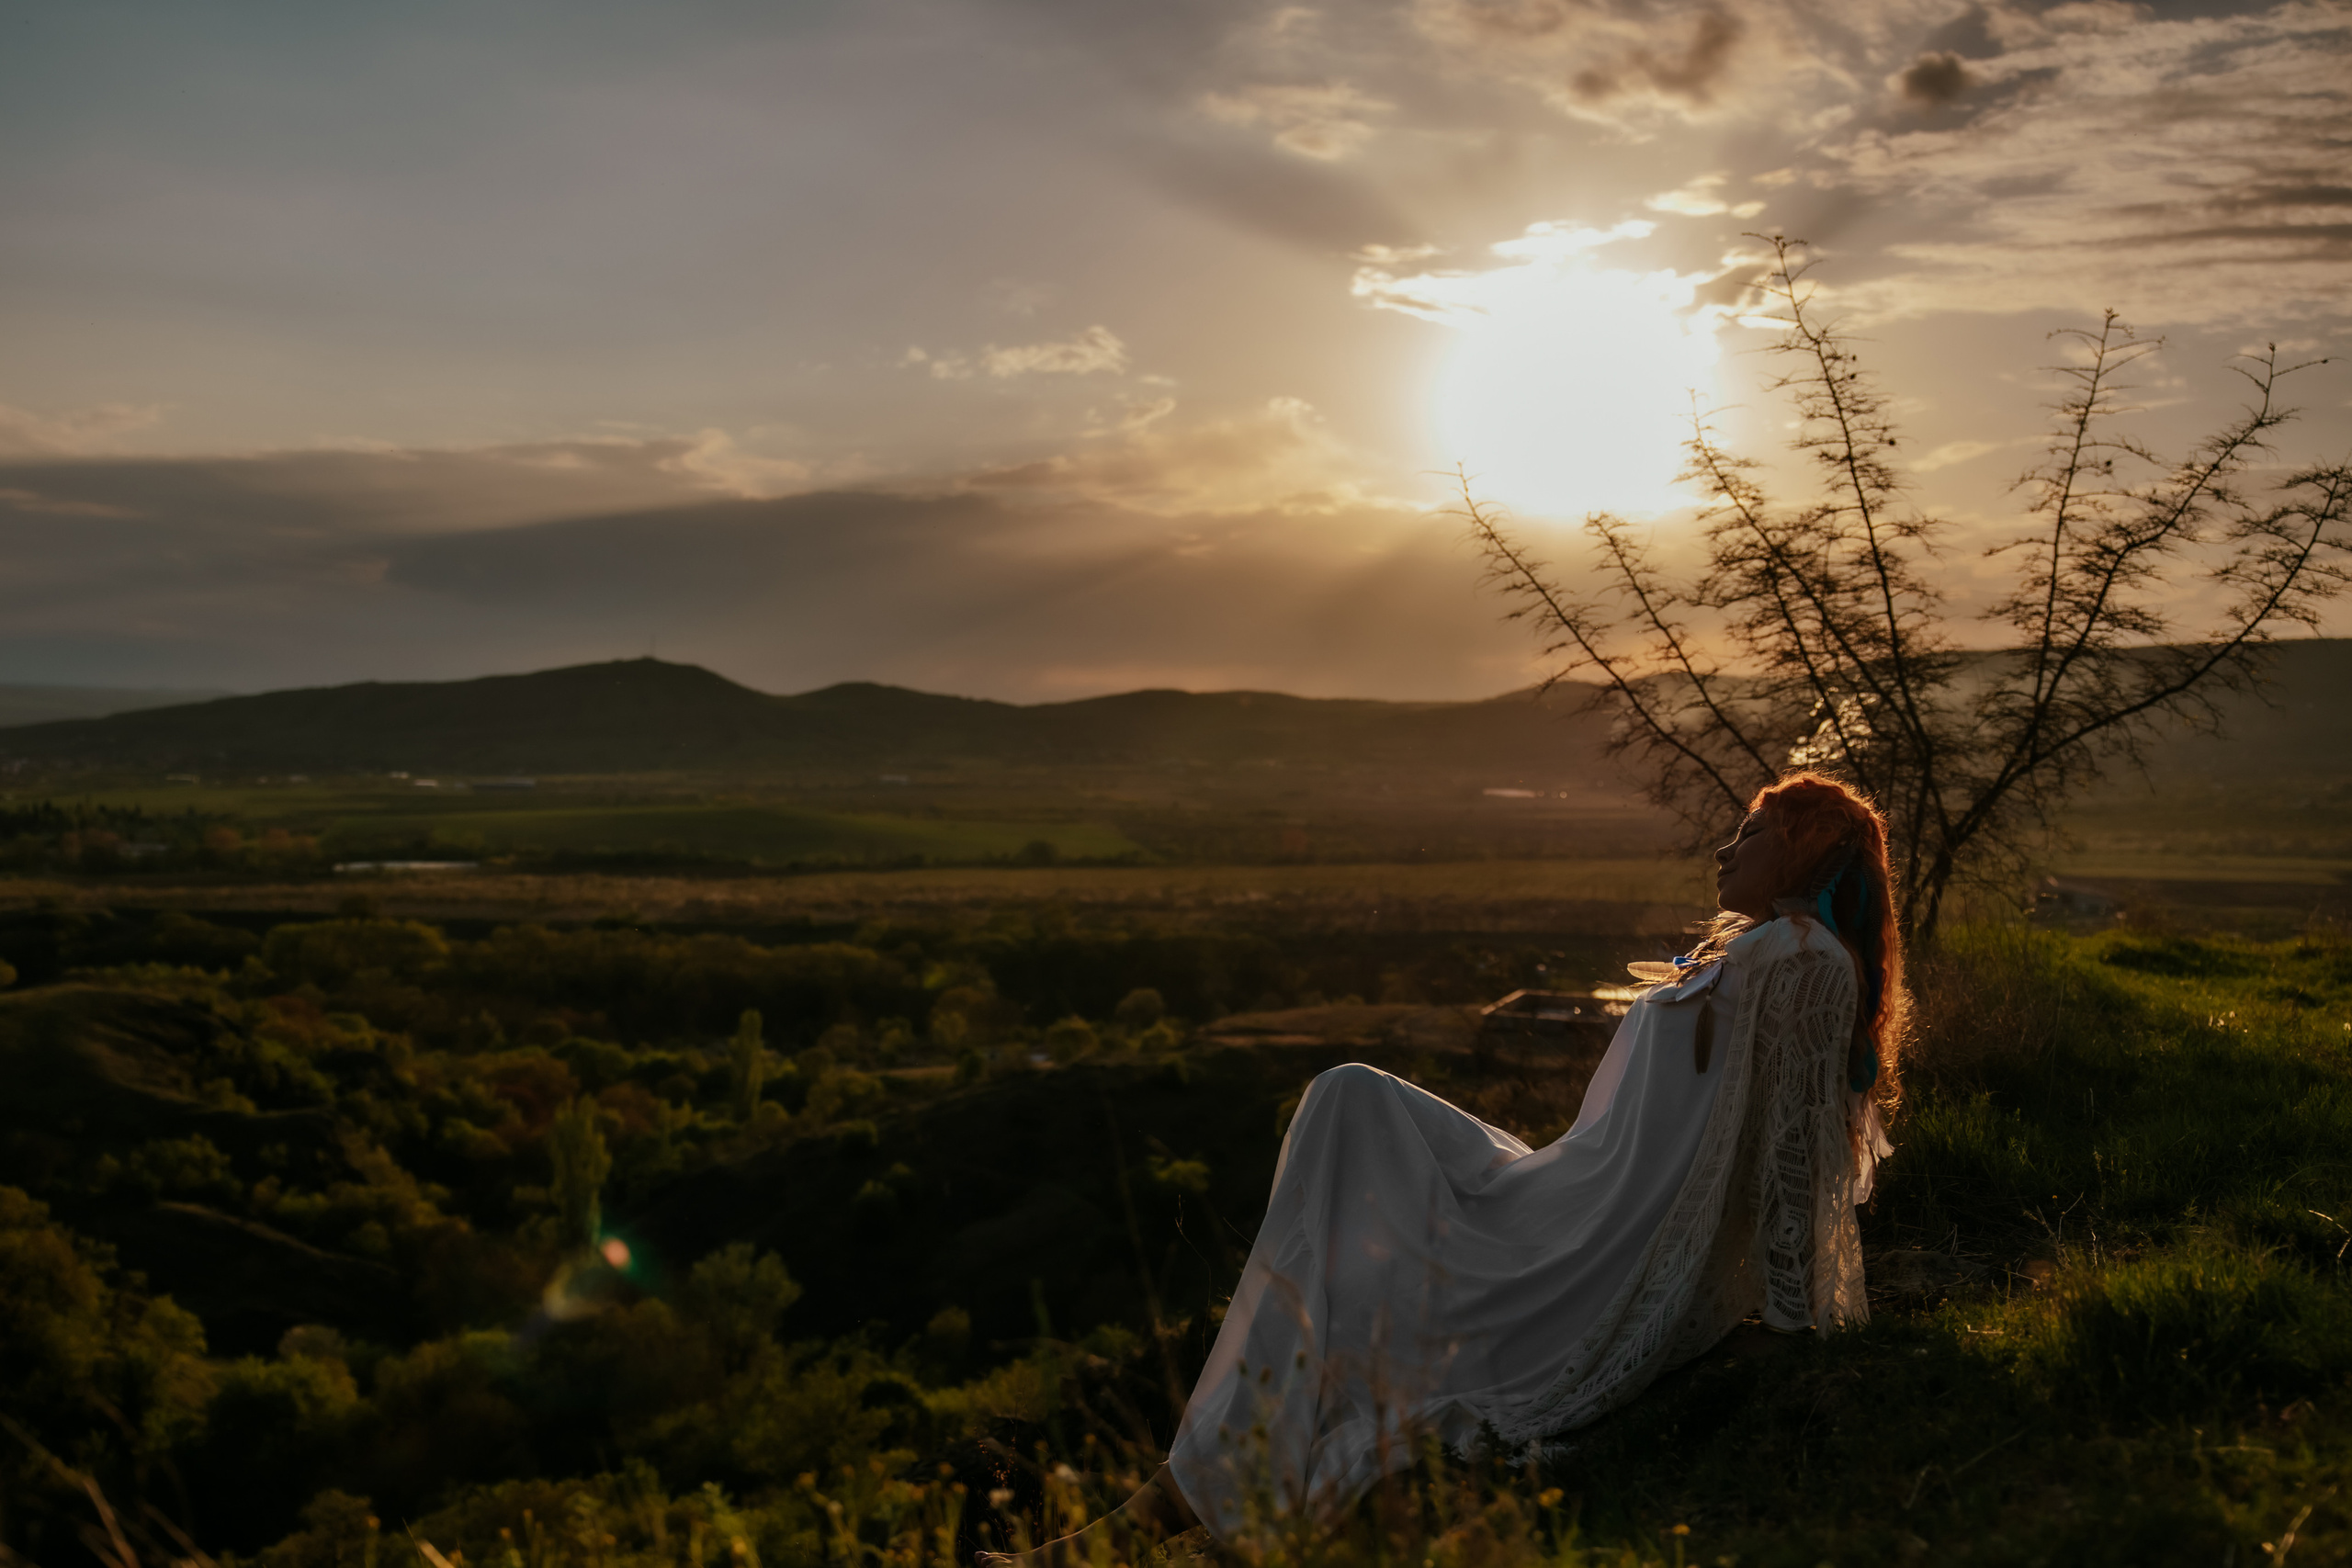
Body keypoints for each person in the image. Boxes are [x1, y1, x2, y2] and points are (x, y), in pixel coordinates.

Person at [987, 770, 1905, 1562]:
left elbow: (1796, 1142)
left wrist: (1791, 1319)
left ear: (1805, 846)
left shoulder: (1800, 958)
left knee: (1347, 1150)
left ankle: (1153, 1515)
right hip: (1568, 1197)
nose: (1723, 850)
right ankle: (1166, 1505)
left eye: (1749, 833)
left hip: (1598, 1251)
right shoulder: (1758, 950)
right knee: (1348, 1112)